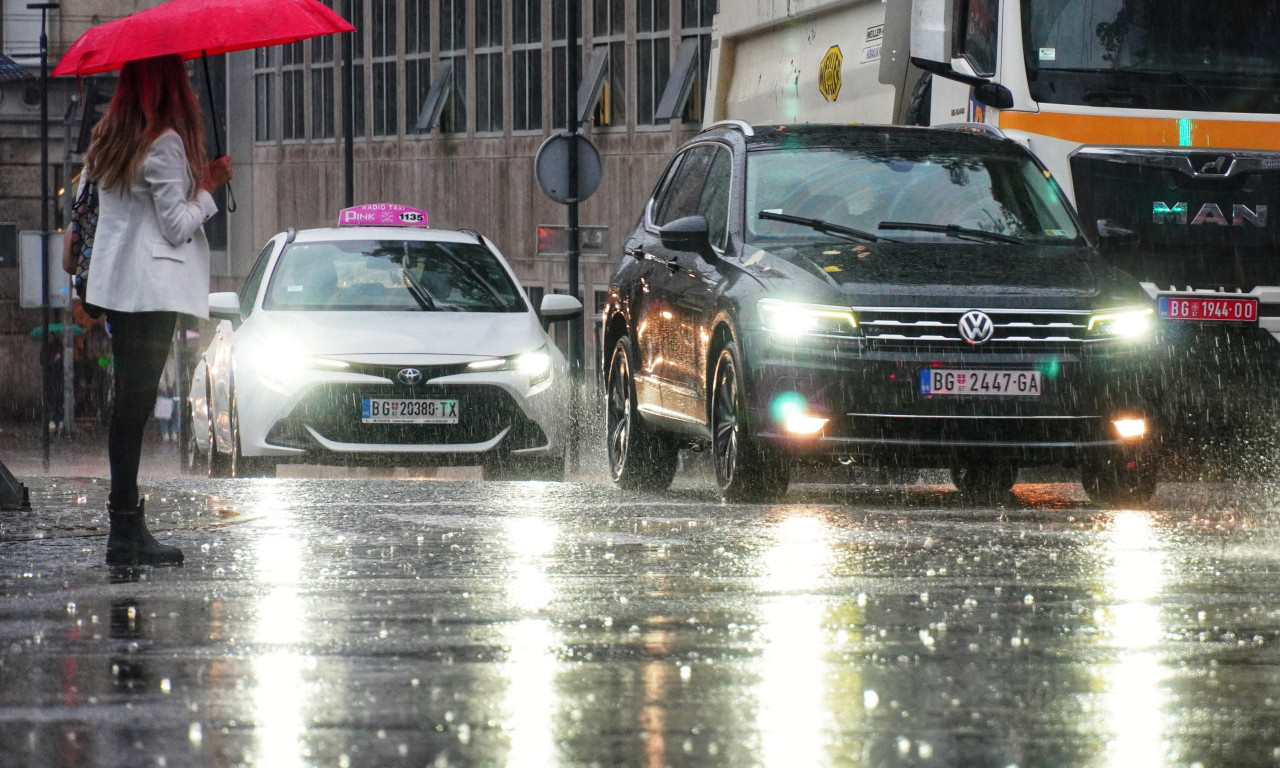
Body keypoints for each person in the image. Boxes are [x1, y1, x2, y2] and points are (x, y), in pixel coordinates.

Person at [81, 54, 232, 566]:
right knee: (135, 406)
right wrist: (209, 188)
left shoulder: (112, 137)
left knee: (129, 405)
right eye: (183, 76)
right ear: (171, 83)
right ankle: (125, 529)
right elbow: (175, 225)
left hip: (122, 289)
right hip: (153, 291)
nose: (190, 83)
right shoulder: (164, 142)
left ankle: (124, 522)